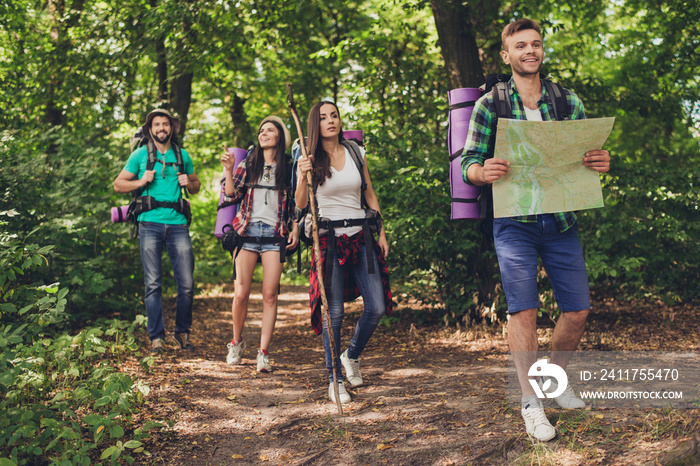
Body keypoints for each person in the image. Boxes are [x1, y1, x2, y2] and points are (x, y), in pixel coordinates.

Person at [461, 19, 611, 441]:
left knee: (577, 311)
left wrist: (599, 161)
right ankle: (531, 403)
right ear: (506, 56)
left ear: (542, 50)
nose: (530, 51)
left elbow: (587, 157)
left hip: (561, 221)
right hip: (514, 223)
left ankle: (553, 381)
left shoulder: (567, 101)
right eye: (520, 46)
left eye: (536, 44)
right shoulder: (490, 104)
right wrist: (481, 171)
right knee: (524, 309)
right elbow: (467, 162)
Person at [295, 101, 392, 404]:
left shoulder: (355, 151)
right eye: (323, 117)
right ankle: (334, 378)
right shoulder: (309, 156)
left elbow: (369, 193)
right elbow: (299, 204)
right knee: (333, 312)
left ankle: (351, 355)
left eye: (334, 115)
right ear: (315, 124)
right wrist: (302, 175)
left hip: (361, 235)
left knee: (376, 307)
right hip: (329, 239)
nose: (330, 121)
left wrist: (382, 231)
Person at [114, 109, 201, 354]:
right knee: (153, 284)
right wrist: (141, 181)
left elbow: (196, 187)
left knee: (186, 284)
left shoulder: (182, 155)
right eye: (156, 124)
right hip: (148, 224)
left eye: (165, 124)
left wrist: (189, 182)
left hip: (177, 225)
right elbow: (118, 184)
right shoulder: (140, 155)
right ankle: (157, 338)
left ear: (171, 128)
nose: (161, 128)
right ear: (150, 129)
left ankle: (182, 334)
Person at [223, 116, 299, 373]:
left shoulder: (288, 167)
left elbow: (294, 205)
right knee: (241, 294)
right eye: (261, 130)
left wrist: (296, 227)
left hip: (275, 235)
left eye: (270, 130)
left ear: (280, 136)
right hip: (246, 233)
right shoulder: (249, 163)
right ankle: (236, 342)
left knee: (269, 295)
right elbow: (231, 194)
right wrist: (229, 169)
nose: (264, 133)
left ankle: (263, 353)